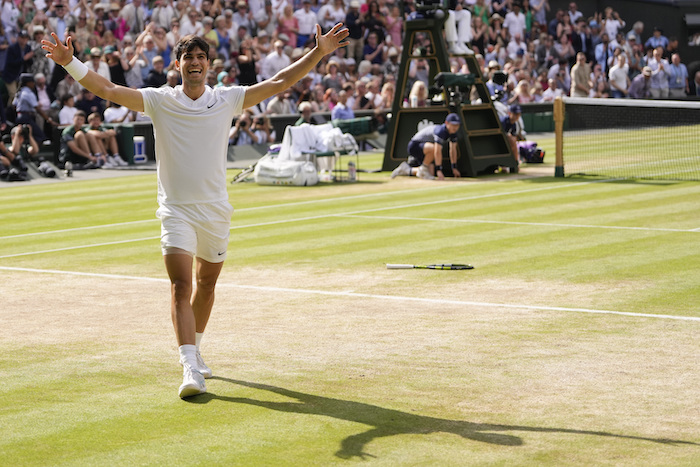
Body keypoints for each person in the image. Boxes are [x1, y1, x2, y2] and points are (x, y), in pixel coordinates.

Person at [42, 23, 349, 398]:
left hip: (216, 210)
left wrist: (318, 52)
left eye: (202, 57)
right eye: (189, 57)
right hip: (175, 211)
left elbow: (280, 82)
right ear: (178, 64)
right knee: (180, 285)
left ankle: (196, 349)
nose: (195, 63)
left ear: (209, 65)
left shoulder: (227, 98)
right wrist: (69, 61)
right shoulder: (159, 99)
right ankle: (189, 366)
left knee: (206, 286)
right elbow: (107, 89)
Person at [391, 113, 462, 181]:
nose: (455, 127)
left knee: (430, 174)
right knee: (434, 148)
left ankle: (406, 169)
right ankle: (423, 168)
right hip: (414, 146)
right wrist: (439, 170)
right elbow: (437, 151)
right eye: (453, 124)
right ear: (446, 123)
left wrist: (454, 168)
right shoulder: (440, 131)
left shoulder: (453, 133)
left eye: (457, 125)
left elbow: (452, 150)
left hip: (426, 149)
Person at [14, 73, 55, 142]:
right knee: (40, 136)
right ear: (28, 83)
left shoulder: (19, 92)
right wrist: (48, 119)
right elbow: (37, 109)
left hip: (20, 116)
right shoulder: (28, 93)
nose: (34, 84)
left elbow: (14, 106)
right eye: (33, 82)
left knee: (27, 137)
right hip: (26, 117)